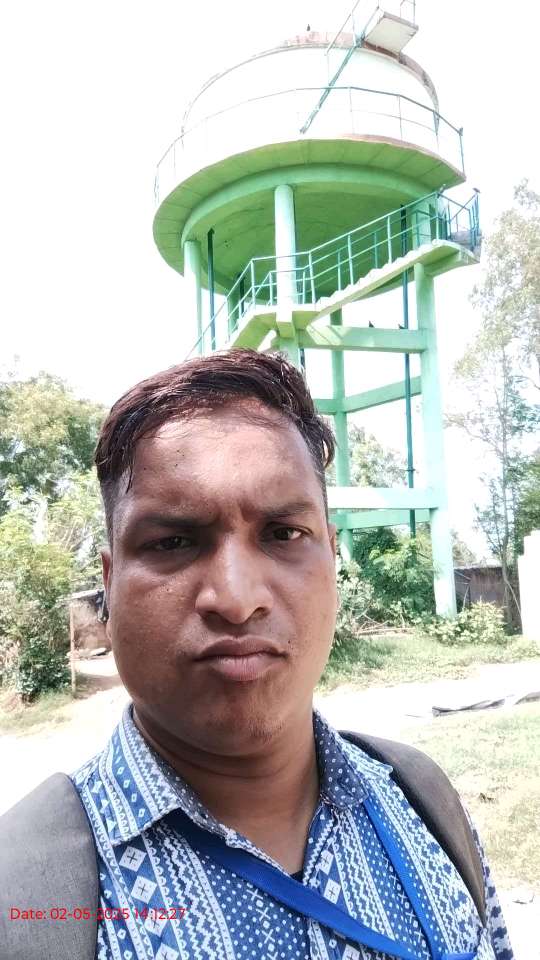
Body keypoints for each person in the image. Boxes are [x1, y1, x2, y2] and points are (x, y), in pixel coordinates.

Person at [3, 349, 513, 960]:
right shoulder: (26, 900)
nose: (237, 600)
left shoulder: (424, 804)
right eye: (173, 541)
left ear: (332, 558)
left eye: (283, 534)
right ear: (110, 584)